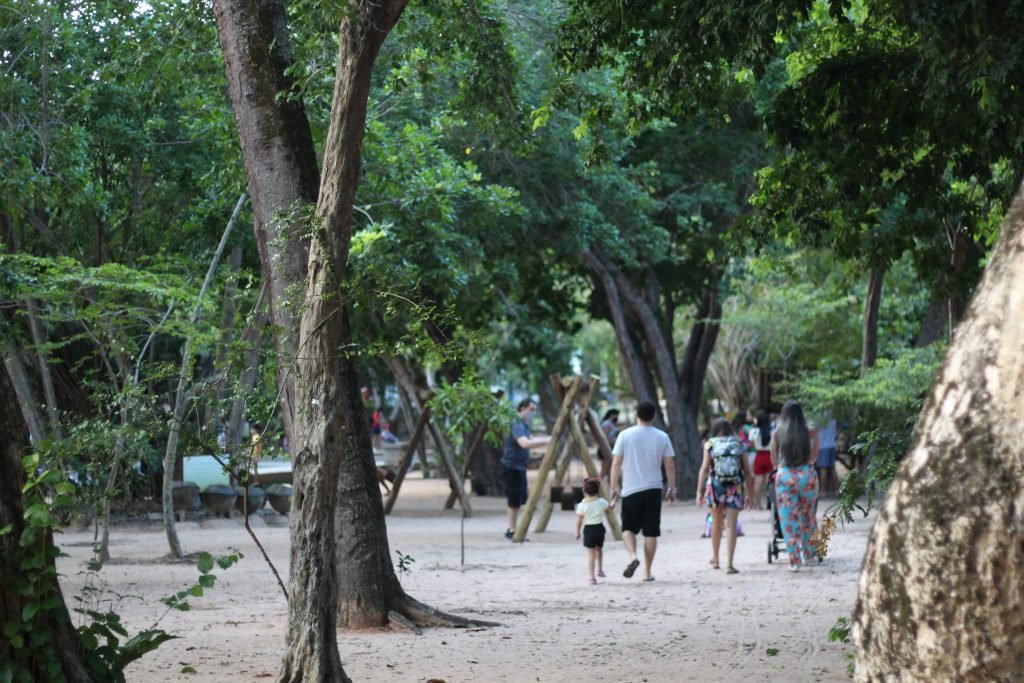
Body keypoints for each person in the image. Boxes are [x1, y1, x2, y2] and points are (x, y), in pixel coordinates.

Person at [610, 400, 676, 581]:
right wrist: (671, 487)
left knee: (628, 528)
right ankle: (647, 572)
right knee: (651, 531)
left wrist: (613, 487)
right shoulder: (662, 436)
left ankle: (633, 556)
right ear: (654, 416)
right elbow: (669, 465)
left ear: (636, 415)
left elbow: (616, 462)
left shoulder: (625, 435)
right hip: (654, 488)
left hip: (631, 489)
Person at [695, 418, 753, 574]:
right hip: (735, 487)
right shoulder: (739, 444)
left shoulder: (710, 444)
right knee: (731, 526)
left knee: (716, 523)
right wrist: (749, 494)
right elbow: (747, 471)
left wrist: (699, 491)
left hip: (715, 487)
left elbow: (705, 467)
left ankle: (715, 559)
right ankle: (730, 564)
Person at [771, 400, 820, 572]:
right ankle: (808, 552)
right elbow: (814, 458)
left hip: (785, 476)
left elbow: (774, 460)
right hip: (807, 475)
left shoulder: (777, 433)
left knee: (788, 518)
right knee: (808, 514)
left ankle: (794, 560)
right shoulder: (810, 431)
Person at [501, 398, 551, 540]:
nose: (533, 413)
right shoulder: (517, 423)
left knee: (519, 499)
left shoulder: (524, 424)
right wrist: (546, 440)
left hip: (519, 466)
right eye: (532, 409)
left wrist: (547, 440)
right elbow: (524, 443)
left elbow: (531, 439)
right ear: (523, 408)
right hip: (512, 466)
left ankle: (515, 528)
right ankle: (512, 529)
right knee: (514, 500)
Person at [575, 477, 611, 585]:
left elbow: (579, 520)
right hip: (599, 528)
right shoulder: (601, 502)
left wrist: (577, 531)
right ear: (597, 491)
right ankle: (600, 569)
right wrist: (613, 500)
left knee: (590, 554)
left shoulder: (582, 505)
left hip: (589, 530)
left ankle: (592, 577)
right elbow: (609, 509)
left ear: (584, 491)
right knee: (599, 549)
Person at [748, 411, 774, 510]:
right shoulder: (772, 430)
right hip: (769, 456)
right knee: (770, 481)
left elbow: (751, 445)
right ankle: (770, 504)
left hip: (759, 455)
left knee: (758, 481)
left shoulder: (754, 431)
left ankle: (758, 505)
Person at [815, 417, 838, 498]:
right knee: (832, 468)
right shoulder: (833, 418)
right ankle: (836, 490)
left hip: (822, 445)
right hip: (832, 445)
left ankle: (822, 491)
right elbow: (837, 431)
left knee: (823, 469)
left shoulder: (819, 417)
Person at [599, 409, 620, 479]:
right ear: (612, 415)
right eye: (616, 415)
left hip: (609, 447)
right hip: (606, 448)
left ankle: (608, 487)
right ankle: (597, 486)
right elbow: (604, 436)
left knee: (609, 470)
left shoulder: (610, 423)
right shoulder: (607, 423)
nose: (617, 417)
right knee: (604, 471)